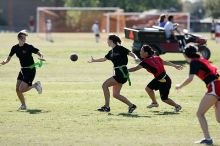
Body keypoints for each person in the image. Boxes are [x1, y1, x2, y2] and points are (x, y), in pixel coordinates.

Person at [176, 45, 220, 145]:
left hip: (214, 86)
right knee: (219, 119)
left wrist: (179, 86)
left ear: (185, 55)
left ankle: (208, 139)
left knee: (200, 114)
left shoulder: (194, 62)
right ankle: (207, 139)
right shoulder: (201, 59)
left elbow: (190, 79)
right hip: (217, 85)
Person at [88, 34, 139, 113]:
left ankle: (106, 107)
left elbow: (130, 53)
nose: (107, 42)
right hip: (118, 73)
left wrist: (136, 58)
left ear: (111, 41)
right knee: (116, 94)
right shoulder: (111, 52)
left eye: (107, 40)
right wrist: (94, 60)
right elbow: (104, 59)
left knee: (104, 85)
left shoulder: (120, 48)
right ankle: (131, 106)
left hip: (122, 73)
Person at [128, 45, 183, 112]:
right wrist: (175, 66)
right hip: (162, 78)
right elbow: (165, 62)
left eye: (141, 51)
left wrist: (125, 69)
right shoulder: (156, 57)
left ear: (146, 53)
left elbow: (134, 69)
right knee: (148, 89)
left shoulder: (145, 62)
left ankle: (177, 106)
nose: (140, 52)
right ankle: (154, 103)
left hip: (164, 81)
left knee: (164, 99)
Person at [0, 30, 45, 110]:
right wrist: (4, 62)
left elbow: (40, 54)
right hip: (22, 70)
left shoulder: (28, 47)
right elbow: (9, 57)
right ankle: (23, 105)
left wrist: (41, 58)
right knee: (17, 90)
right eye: (23, 38)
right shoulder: (15, 48)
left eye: (25, 38)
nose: (25, 40)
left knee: (22, 89)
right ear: (19, 38)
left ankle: (35, 85)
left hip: (30, 70)